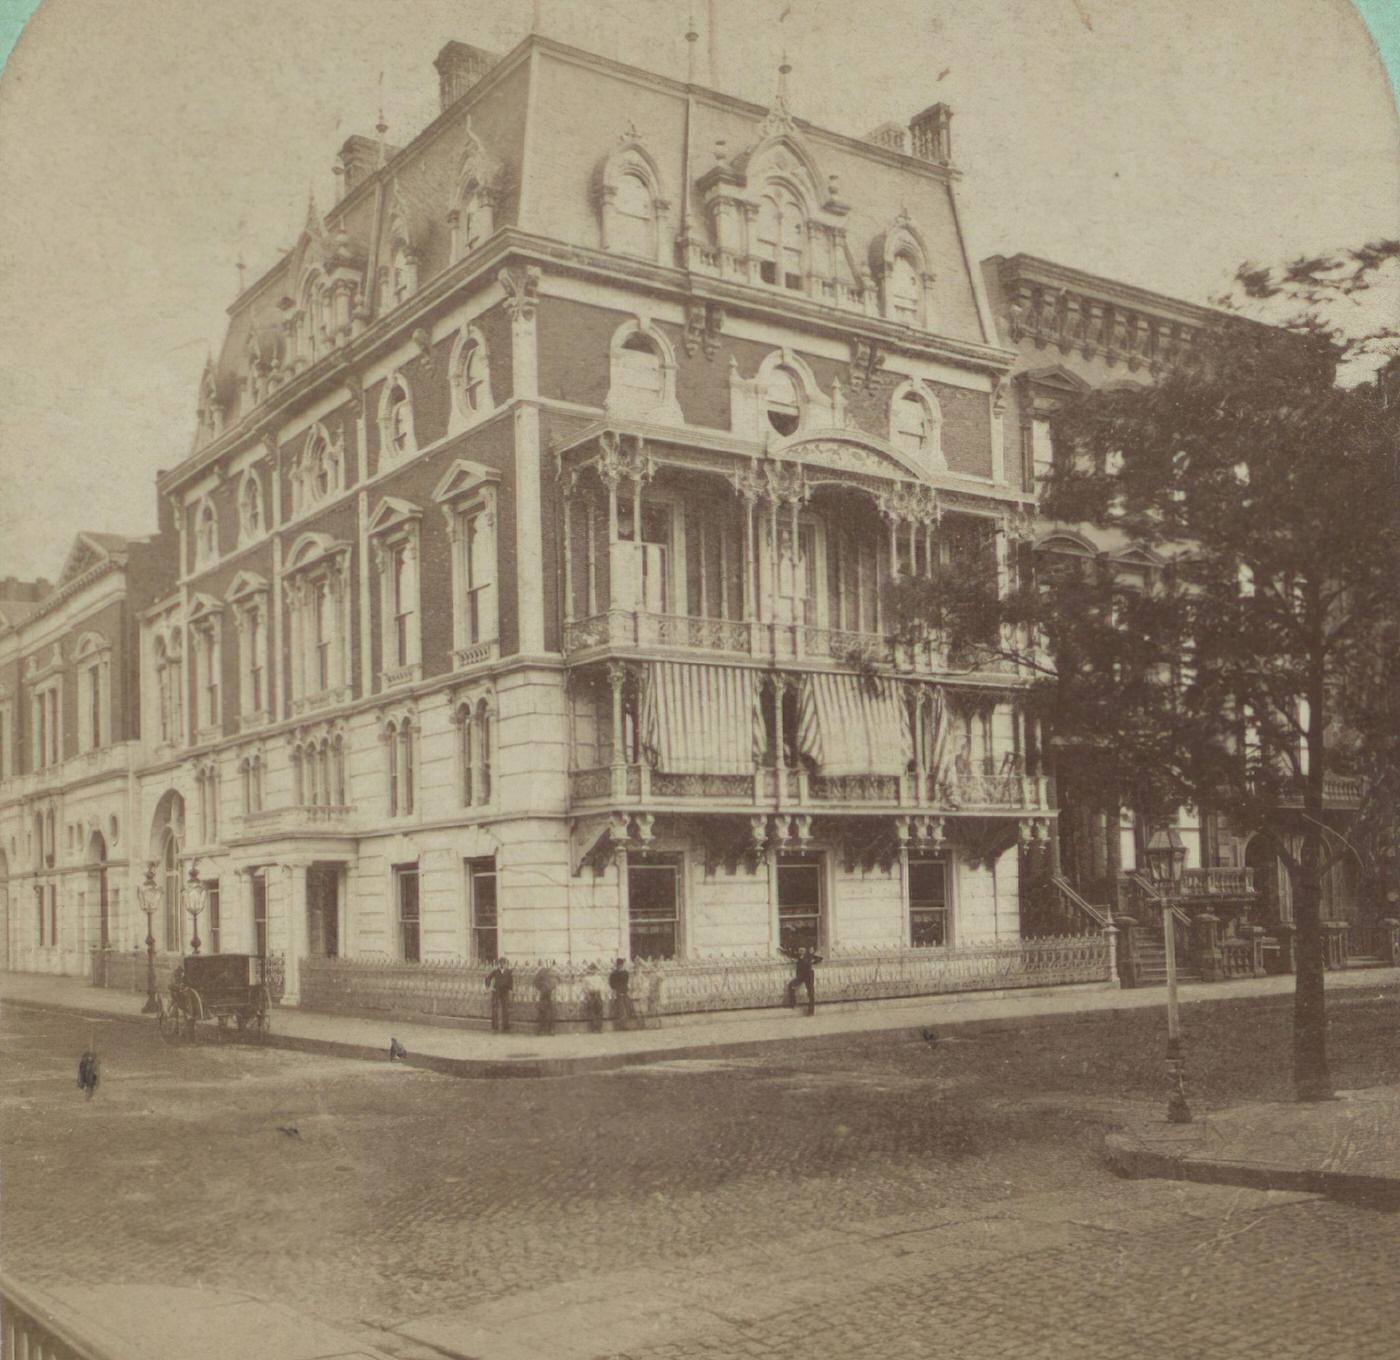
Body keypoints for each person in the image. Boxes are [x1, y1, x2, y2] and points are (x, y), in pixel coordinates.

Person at [784, 945, 822, 1016]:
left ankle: (811, 1011)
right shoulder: (798, 956)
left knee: (810, 992)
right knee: (791, 985)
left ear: (805, 950)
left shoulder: (809, 956)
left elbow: (820, 958)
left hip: (809, 976)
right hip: (801, 976)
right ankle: (792, 1003)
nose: (800, 952)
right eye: (799, 950)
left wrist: (813, 962)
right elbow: (789, 955)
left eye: (802, 950)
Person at [485, 957, 514, 1033]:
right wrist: (489, 987)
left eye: (504, 963)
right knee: (495, 1009)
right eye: (501, 963)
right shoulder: (495, 971)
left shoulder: (508, 972)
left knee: (506, 1009)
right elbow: (487, 978)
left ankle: (506, 1027)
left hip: (505, 992)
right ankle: (494, 1028)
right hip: (496, 992)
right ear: (499, 964)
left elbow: (511, 982)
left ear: (506, 964)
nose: (502, 965)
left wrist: (511, 990)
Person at [608, 958, 638, 1030]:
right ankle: (622, 1026)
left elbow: (613, 983)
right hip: (620, 992)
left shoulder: (617, 973)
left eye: (621, 965)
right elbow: (612, 983)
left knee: (626, 1008)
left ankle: (625, 1025)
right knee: (621, 1009)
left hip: (623, 991)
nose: (620, 966)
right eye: (620, 965)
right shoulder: (620, 973)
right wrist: (616, 990)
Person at [533, 961, 559, 1036]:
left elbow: (558, 980)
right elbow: (535, 981)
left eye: (550, 963)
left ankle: (551, 1029)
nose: (548, 964)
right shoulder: (541, 972)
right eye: (546, 962)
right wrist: (541, 988)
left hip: (551, 994)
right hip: (544, 994)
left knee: (551, 1012)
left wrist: (554, 987)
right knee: (542, 1011)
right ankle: (541, 1029)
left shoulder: (553, 972)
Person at [581, 961, 606, 1032]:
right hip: (591, 994)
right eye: (591, 970)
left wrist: (600, 992)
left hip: (598, 994)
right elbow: (584, 988)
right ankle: (594, 1027)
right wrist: (587, 995)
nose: (593, 971)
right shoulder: (586, 978)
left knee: (599, 1010)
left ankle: (599, 1027)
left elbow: (602, 986)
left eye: (594, 970)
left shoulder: (599, 977)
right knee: (592, 1011)